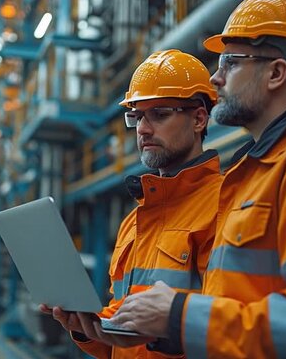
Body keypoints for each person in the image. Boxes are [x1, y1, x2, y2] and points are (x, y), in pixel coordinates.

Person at [109, 0, 286, 358]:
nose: (215, 78)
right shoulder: (248, 179)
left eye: (230, 62)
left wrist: (178, 315)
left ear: (276, 73)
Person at [41, 49, 221, 358]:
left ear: (199, 118)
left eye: (160, 114)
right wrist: (86, 328)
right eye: (136, 117)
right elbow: (124, 337)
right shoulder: (134, 221)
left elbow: (225, 332)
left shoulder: (226, 206)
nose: (143, 129)